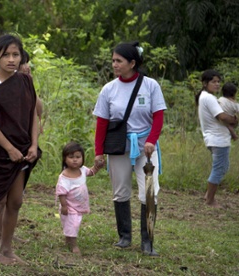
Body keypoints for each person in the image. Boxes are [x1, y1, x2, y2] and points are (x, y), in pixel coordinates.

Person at [93, 42, 166, 256]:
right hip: (118, 146)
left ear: (132, 63)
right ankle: (124, 236)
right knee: (120, 191)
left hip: (146, 149)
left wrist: (152, 140)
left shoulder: (151, 85)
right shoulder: (109, 89)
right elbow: (102, 123)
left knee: (150, 193)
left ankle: (148, 241)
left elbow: (159, 116)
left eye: (119, 61)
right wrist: (99, 152)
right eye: (113, 60)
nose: (114, 64)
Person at [0, 34, 41, 265]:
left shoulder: (24, 80)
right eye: (6, 55)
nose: (11, 60)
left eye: (15, 55)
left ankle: (8, 248)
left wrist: (33, 144)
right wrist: (10, 148)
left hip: (23, 149)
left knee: (16, 202)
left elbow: (34, 112)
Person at [195, 70, 237, 208]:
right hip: (218, 139)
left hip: (215, 137)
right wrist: (235, 119)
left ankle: (208, 195)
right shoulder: (209, 98)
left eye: (218, 81)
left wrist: (232, 129)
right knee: (219, 168)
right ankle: (210, 200)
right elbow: (222, 117)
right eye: (214, 82)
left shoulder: (205, 96)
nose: (217, 84)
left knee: (222, 167)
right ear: (205, 83)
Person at [56, 141, 98, 254]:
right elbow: (61, 193)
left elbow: (91, 172)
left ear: (82, 158)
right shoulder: (64, 176)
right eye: (71, 157)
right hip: (69, 206)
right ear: (65, 159)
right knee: (73, 224)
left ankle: (68, 240)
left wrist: (97, 166)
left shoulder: (83, 170)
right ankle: (73, 245)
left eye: (78, 157)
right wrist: (64, 206)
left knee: (71, 225)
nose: (75, 160)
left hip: (79, 205)